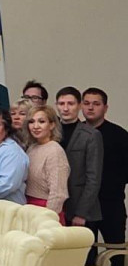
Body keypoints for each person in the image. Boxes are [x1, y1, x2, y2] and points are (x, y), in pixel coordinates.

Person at [82, 87, 127, 266]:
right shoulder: (77, 133)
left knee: (117, 254)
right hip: (84, 205)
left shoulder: (119, 135)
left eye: (96, 104)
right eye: (86, 103)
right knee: (86, 256)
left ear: (105, 108)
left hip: (111, 204)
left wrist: (113, 185)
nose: (90, 107)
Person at [55, 86, 103, 231]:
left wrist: (82, 213)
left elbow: (93, 177)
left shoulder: (91, 135)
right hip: (56, 204)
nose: (65, 108)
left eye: (70, 104)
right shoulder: (51, 132)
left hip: (79, 207)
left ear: (80, 106)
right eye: (61, 104)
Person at [25, 105, 70, 219]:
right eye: (31, 122)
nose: (35, 126)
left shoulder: (55, 150)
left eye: (41, 121)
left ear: (52, 125)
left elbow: (58, 193)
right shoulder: (32, 148)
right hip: (29, 208)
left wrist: (47, 218)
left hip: (46, 211)